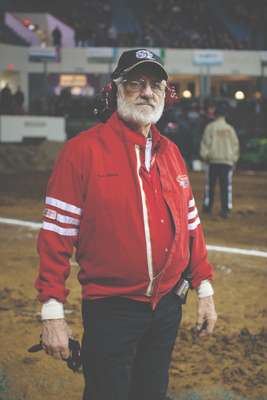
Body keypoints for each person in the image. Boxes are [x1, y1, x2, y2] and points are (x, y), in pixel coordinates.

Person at [35, 48, 217, 400]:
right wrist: (52, 313)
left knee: (152, 392)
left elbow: (191, 225)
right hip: (111, 309)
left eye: (156, 85)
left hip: (166, 307)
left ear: (166, 94)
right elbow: (55, 237)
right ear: (116, 89)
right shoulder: (81, 152)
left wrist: (204, 288)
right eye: (136, 82)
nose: (147, 92)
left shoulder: (172, 153)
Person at [200, 102, 240, 218]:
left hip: (212, 161)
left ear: (215, 115)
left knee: (210, 186)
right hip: (227, 162)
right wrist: (234, 159)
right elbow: (235, 145)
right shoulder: (230, 129)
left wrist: (205, 156)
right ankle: (225, 209)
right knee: (226, 187)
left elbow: (205, 144)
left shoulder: (210, 127)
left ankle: (208, 207)